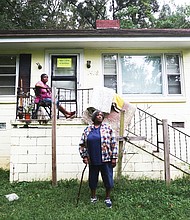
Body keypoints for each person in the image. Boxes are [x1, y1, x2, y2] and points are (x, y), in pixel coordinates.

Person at [79, 110, 118, 208]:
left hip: (106, 159)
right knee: (92, 179)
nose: (100, 116)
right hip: (92, 159)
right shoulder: (88, 129)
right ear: (94, 117)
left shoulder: (107, 128)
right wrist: (84, 156)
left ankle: (108, 198)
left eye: (101, 115)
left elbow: (113, 143)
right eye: (98, 115)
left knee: (108, 179)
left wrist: (114, 157)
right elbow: (82, 144)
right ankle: (93, 197)